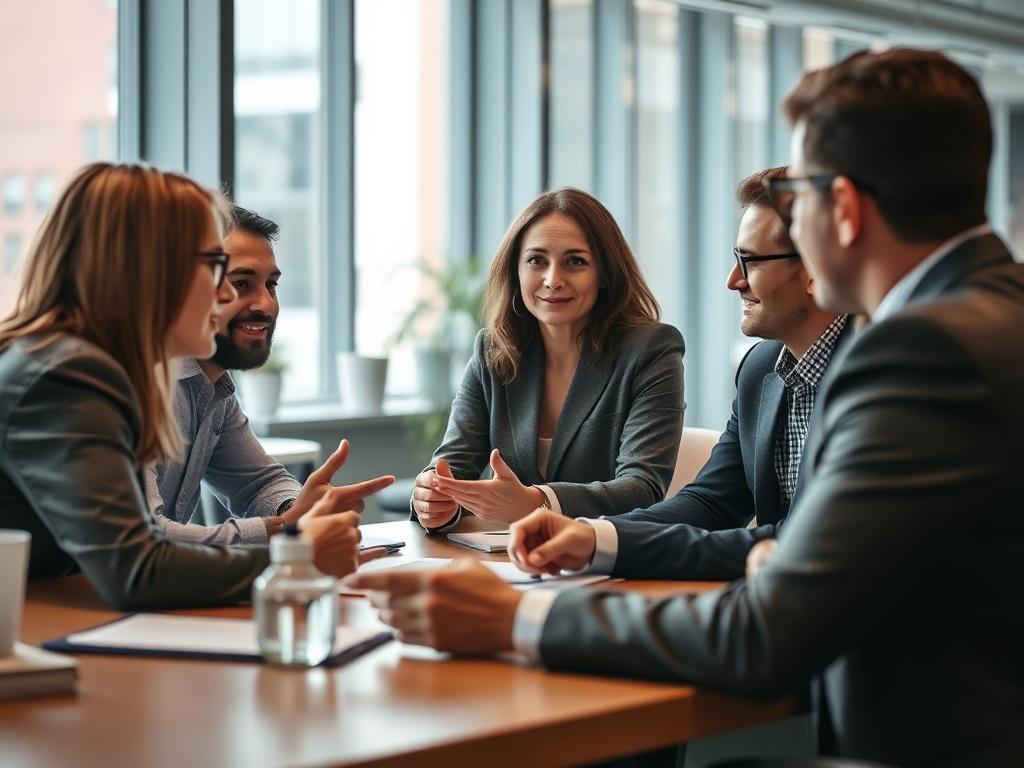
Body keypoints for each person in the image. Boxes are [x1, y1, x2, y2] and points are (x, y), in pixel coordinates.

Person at [349, 49, 1024, 767]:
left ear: (846, 209)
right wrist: (608, 538)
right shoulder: (988, 313)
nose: (735, 278)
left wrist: (517, 615)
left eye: (801, 204)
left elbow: (768, 633)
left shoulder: (923, 351)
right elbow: (746, 521)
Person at [0, 162, 367, 610]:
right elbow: (137, 569)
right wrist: (296, 558)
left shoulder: (84, 364)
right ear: (146, 270)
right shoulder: (67, 376)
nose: (229, 296)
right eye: (215, 268)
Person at [494, 166, 850, 581]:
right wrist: (592, 534)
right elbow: (713, 503)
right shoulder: (760, 370)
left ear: (815, 269)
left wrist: (601, 544)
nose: (733, 281)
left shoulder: (876, 379)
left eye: (749, 261)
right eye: (736, 259)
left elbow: (803, 543)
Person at [411, 187, 684, 530]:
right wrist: (435, 499)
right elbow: (452, 467)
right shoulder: (492, 352)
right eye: (537, 260)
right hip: (507, 560)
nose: (553, 280)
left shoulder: (651, 350)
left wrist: (540, 501)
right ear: (516, 271)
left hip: (604, 560)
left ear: (604, 273)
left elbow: (643, 486)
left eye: (575, 262)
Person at [146, 205, 393, 544]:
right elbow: (146, 535)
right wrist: (284, 526)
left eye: (271, 285)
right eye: (240, 284)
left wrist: (305, 511)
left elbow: (259, 484)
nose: (266, 304)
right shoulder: (140, 383)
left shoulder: (213, 390)